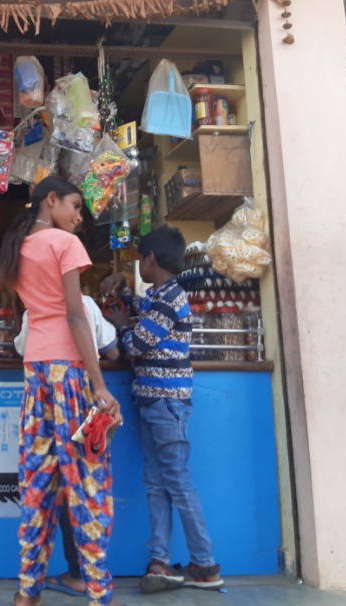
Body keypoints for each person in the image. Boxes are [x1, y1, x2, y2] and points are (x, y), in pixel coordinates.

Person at [0, 176, 123, 606]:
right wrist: (101, 385)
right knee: (88, 485)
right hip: (69, 376)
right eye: (74, 206)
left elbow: (38, 315)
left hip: (36, 376)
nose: (78, 217)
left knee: (37, 484)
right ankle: (101, 594)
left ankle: (27, 593)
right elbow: (74, 316)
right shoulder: (64, 244)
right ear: (51, 200)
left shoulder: (18, 247)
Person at [101, 225, 223, 593]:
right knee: (157, 483)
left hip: (167, 405)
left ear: (151, 259)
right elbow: (141, 306)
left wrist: (122, 326)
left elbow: (137, 343)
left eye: (139, 259)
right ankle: (160, 560)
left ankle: (204, 563)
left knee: (178, 483)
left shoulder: (171, 300)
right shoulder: (160, 295)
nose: (138, 264)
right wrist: (122, 287)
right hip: (155, 403)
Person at [14, 294, 121, 599]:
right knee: (90, 497)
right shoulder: (83, 303)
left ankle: (27, 593)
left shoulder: (33, 308)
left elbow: (21, 347)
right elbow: (112, 350)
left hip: (37, 400)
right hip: (78, 400)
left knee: (36, 495)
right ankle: (100, 595)